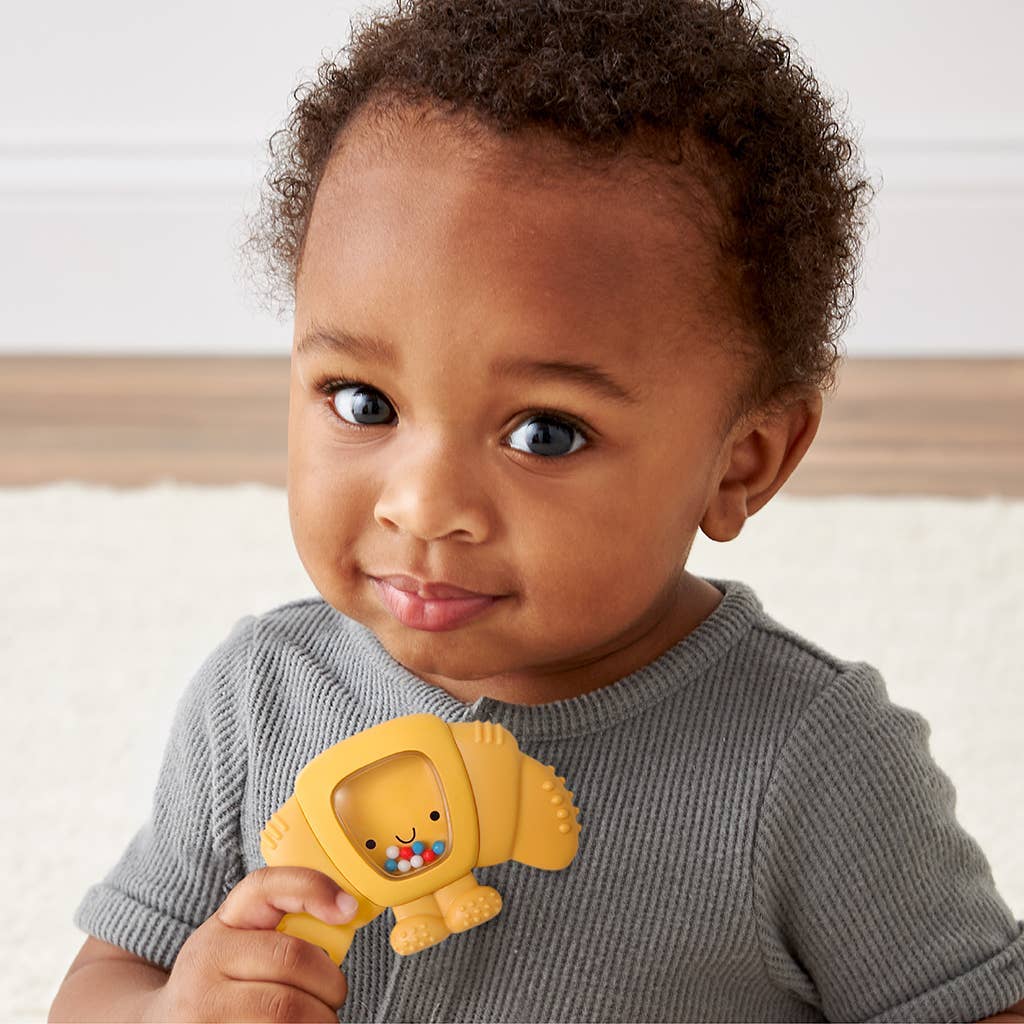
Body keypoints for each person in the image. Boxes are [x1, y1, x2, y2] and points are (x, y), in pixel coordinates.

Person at [49, 0, 1024, 1020]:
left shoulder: (812, 758)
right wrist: (167, 1012)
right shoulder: (260, 696)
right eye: (363, 402)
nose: (423, 506)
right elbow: (99, 986)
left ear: (743, 462)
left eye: (544, 433)